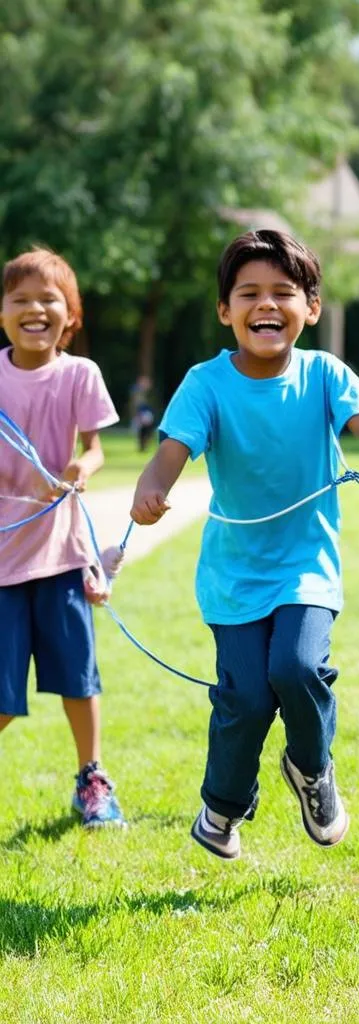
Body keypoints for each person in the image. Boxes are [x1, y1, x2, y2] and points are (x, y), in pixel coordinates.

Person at [130, 229, 359, 860]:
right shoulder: (205, 383)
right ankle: (222, 805)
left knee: (295, 670)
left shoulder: (324, 373)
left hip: (306, 565)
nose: (265, 304)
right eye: (249, 293)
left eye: (283, 292)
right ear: (225, 311)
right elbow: (172, 451)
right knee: (245, 697)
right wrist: (150, 488)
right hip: (234, 574)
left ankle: (312, 768)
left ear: (312, 308)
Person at [0, 248, 126, 828]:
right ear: (2, 313)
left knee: (78, 674)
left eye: (48, 299)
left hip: (60, 552)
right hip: (3, 556)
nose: (34, 310)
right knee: (3, 690)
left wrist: (82, 468)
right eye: (20, 300)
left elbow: (96, 448)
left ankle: (92, 779)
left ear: (70, 314)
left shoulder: (81, 374)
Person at [129, 375, 156, 452]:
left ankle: (144, 446)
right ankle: (142, 446)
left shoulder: (148, 392)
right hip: (142, 413)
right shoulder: (137, 391)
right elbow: (135, 404)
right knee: (142, 430)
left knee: (147, 430)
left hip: (146, 412)